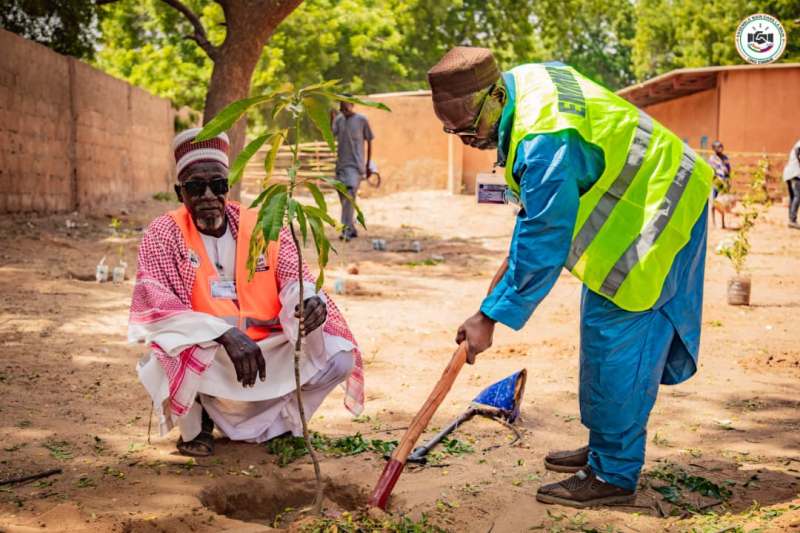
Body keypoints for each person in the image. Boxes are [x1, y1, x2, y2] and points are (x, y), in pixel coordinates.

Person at [428, 47, 712, 508]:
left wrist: (491, 318)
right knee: (600, 331)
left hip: (657, 215)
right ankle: (605, 448)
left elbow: (544, 236)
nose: (465, 139)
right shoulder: (525, 85)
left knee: (619, 340)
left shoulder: (545, 139)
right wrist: (488, 306)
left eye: (468, 126)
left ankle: (613, 474)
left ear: (496, 95)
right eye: (451, 129)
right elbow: (532, 219)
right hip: (640, 204)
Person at [128, 128, 364, 457]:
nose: (208, 195)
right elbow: (158, 306)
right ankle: (197, 426)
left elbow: (294, 276)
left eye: (218, 185)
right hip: (208, 348)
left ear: (229, 186)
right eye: (196, 187)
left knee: (339, 356)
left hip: (265, 345)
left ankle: (279, 425)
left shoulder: (262, 223)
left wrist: (309, 299)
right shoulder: (164, 232)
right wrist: (224, 334)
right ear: (180, 192)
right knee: (167, 347)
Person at [332, 99, 374, 241]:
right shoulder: (339, 120)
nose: (343, 107)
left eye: (345, 104)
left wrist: (368, 165)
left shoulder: (362, 120)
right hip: (340, 166)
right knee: (344, 198)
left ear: (352, 104)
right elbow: (332, 135)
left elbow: (369, 141)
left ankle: (346, 231)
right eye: (341, 104)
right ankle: (352, 228)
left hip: (355, 166)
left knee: (349, 196)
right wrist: (331, 119)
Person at [708, 140, 732, 228]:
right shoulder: (712, 159)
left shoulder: (725, 158)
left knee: (723, 203)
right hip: (716, 183)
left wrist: (728, 182)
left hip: (724, 183)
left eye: (721, 146)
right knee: (714, 202)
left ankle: (723, 223)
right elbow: (711, 171)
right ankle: (713, 222)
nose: (720, 148)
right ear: (714, 148)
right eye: (718, 147)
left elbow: (728, 170)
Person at [783, 139, 800, 229]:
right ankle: (793, 220)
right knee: (797, 196)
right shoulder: (799, 145)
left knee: (793, 197)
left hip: (789, 173)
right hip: (795, 174)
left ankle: (791, 220)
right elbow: (798, 152)